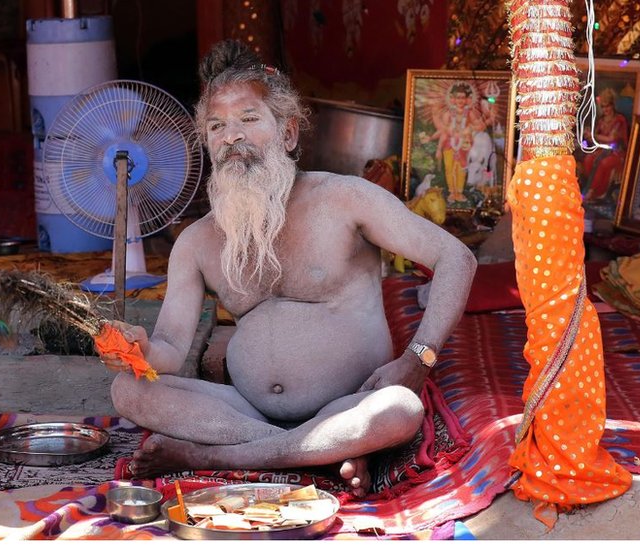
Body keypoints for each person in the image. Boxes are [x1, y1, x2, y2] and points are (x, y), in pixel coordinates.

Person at [99, 40, 477, 497]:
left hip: (350, 403)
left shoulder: (345, 198)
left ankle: (211, 457)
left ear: (289, 133)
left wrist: (419, 360)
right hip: (244, 412)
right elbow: (172, 350)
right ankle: (318, 454)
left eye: (249, 119)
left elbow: (456, 257)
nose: (231, 136)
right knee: (128, 391)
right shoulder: (197, 241)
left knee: (399, 409)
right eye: (217, 126)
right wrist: (140, 350)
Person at [580, 88, 629, 202]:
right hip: (603, 151)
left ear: (612, 105)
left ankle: (594, 192)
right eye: (603, 106)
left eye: (607, 106)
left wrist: (594, 136)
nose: (605, 109)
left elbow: (611, 139)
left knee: (604, 163)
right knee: (588, 159)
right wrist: (588, 136)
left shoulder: (620, 120)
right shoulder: (601, 120)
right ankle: (591, 188)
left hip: (617, 153)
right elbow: (595, 138)